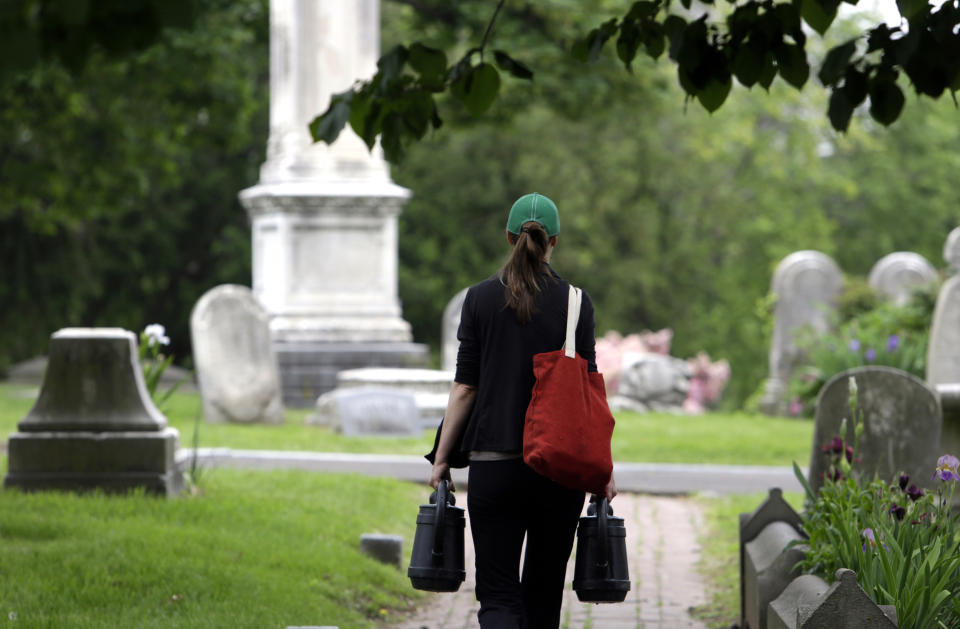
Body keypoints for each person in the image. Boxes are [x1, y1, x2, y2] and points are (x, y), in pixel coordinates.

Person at [429, 192, 616, 629]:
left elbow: (464, 388)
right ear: (555, 241)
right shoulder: (576, 302)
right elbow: (589, 391)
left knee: (497, 597)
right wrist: (603, 469)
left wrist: (441, 459)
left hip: (494, 466)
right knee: (544, 596)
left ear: (509, 236)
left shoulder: (478, 300)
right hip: (558, 468)